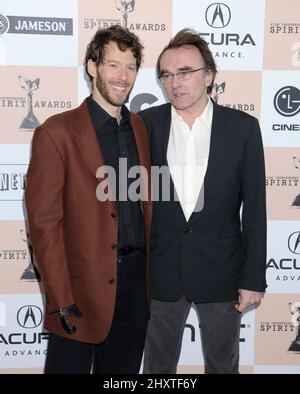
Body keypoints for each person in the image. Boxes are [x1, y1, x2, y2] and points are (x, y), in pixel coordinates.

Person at [25, 25, 152, 374]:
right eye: (113, 65)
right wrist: (60, 297)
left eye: (130, 67)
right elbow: (44, 224)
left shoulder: (139, 127)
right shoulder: (57, 132)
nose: (122, 76)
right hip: (80, 290)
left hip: (135, 287)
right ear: (92, 66)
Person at [139, 28, 267, 374]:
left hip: (222, 272)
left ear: (209, 75)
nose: (173, 83)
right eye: (166, 75)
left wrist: (253, 277)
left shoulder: (243, 128)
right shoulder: (144, 124)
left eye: (184, 72)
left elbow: (254, 209)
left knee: (223, 367)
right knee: (157, 368)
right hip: (160, 271)